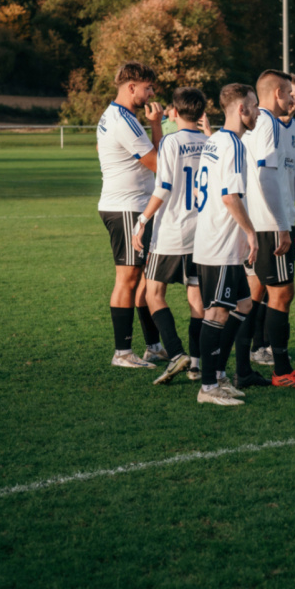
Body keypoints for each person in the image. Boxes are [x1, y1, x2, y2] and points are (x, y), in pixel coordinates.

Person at [240, 69, 295, 388]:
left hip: (258, 222)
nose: (292, 99)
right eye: (288, 93)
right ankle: (282, 369)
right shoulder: (269, 124)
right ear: (277, 93)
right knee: (282, 293)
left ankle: (242, 368)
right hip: (270, 224)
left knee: (252, 296)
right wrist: (282, 225)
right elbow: (266, 176)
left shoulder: (259, 125)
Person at [130, 87, 209, 385]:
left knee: (153, 293)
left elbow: (163, 186)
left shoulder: (171, 141)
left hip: (172, 231)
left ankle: (176, 353)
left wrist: (142, 220)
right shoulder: (210, 143)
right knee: (196, 297)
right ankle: (196, 364)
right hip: (201, 232)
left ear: (174, 112)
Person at [192, 83, 262, 406]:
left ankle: (218, 374)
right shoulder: (233, 144)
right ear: (242, 109)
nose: (258, 112)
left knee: (243, 306)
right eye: (255, 106)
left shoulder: (215, 140)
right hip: (220, 243)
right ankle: (208, 387)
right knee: (217, 312)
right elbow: (230, 197)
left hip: (218, 241)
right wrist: (250, 232)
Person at [96, 61, 166, 369]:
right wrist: (158, 125)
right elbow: (159, 164)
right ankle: (122, 353)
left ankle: (154, 347)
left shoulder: (121, 116)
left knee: (143, 277)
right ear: (131, 87)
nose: (151, 94)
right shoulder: (122, 120)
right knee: (128, 278)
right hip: (126, 207)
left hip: (133, 205)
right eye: (148, 88)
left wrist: (154, 125)